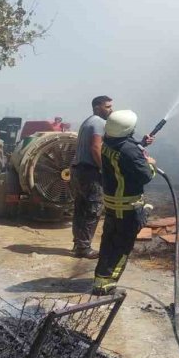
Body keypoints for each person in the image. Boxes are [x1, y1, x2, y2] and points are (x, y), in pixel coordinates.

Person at [92, 109, 156, 295]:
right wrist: (150, 162)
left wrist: (140, 145)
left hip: (113, 205)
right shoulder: (130, 151)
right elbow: (146, 176)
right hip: (127, 207)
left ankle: (100, 278)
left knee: (109, 242)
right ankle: (106, 285)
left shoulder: (108, 142)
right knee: (122, 247)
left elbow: (123, 155)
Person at [69, 95, 113, 258]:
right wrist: (104, 169)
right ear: (97, 108)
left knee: (80, 209)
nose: (111, 109)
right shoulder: (99, 123)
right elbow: (96, 147)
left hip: (79, 171)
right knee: (93, 209)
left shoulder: (88, 122)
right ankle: (84, 248)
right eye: (107, 106)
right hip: (90, 173)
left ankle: (78, 244)